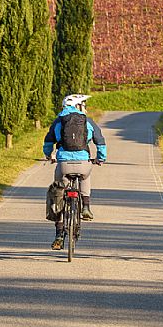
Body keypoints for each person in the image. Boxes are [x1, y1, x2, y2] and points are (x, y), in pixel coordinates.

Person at [43, 94, 107, 250]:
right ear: (79, 106)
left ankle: (59, 235)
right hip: (83, 163)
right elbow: (100, 141)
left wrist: (49, 155)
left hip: (63, 164)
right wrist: (100, 158)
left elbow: (48, 141)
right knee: (85, 176)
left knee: (58, 193)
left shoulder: (59, 121)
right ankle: (86, 206)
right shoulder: (87, 121)